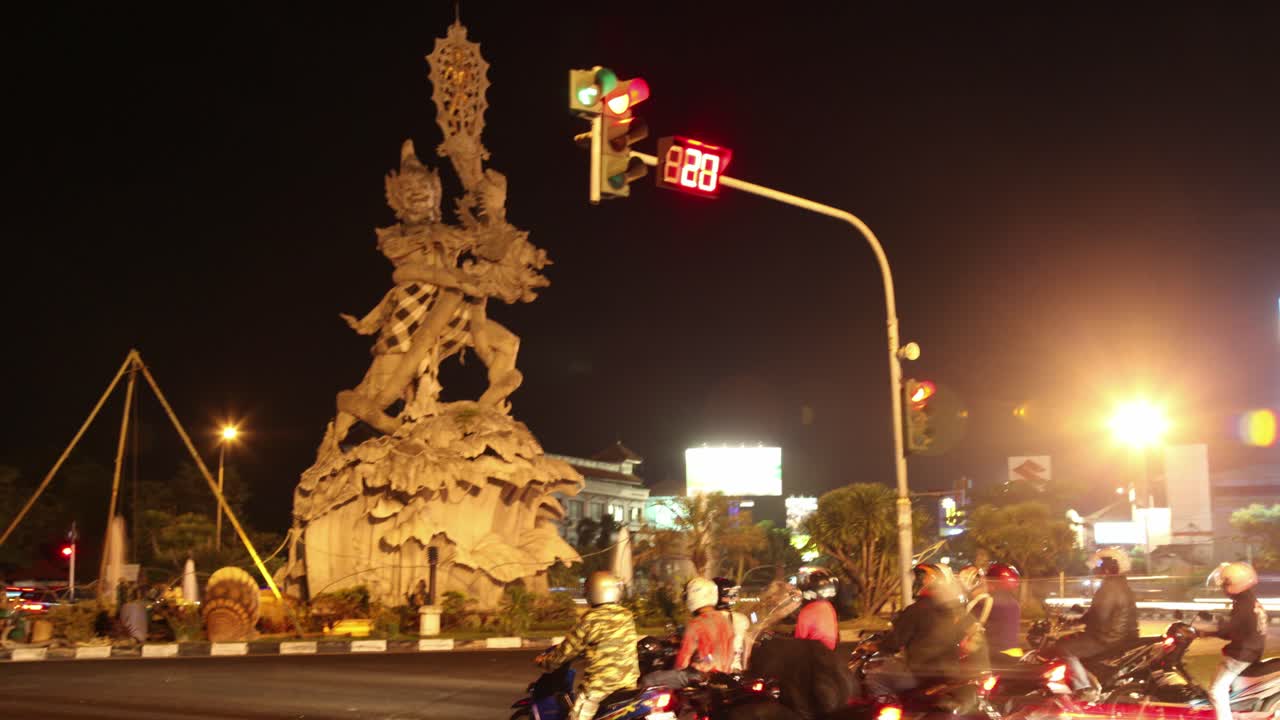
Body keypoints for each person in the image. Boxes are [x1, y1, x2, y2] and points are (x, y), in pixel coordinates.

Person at [865, 563, 980, 699]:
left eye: (921, 578)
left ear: (931, 581)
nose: (918, 582)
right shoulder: (957, 611)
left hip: (920, 674)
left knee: (874, 677)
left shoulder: (916, 610)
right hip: (950, 674)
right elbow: (975, 632)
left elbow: (893, 644)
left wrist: (872, 646)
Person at [536, 571, 639, 720]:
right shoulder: (626, 615)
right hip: (627, 685)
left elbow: (566, 651)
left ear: (593, 592)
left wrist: (545, 661)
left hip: (600, 689)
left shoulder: (590, 619)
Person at [1052, 548, 1138, 702]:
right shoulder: (1121, 584)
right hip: (1122, 635)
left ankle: (1084, 688)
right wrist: (1077, 621)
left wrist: (1074, 623)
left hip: (1108, 637)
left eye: (1099, 566)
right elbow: (1099, 613)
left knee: (1064, 647)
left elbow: (1099, 616)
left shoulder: (1109, 587)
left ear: (1106, 568)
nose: (1095, 569)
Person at [1205, 562, 1267, 720]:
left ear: (1236, 583)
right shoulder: (1250, 599)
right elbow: (1237, 629)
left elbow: (1228, 630)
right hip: (1252, 650)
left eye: (1226, 583)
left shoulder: (1243, 604)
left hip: (1242, 654)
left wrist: (1204, 633)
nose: (1223, 588)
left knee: (1216, 690)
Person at [675, 576, 737, 673]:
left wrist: (677, 672)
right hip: (724, 676)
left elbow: (684, 658)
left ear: (693, 596)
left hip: (702, 678)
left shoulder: (696, 624)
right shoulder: (725, 621)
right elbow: (730, 653)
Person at [713, 576, 752, 672]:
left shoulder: (703, 620)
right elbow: (747, 648)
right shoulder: (742, 619)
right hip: (735, 671)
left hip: (710, 672)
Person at [795, 568, 839, 651]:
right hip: (830, 650)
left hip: (815, 654)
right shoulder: (828, 606)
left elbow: (800, 638)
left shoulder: (807, 611)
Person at [984, 562, 1022, 655]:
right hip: (1013, 652)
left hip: (994, 654)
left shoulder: (989, 600)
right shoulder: (1014, 603)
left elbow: (966, 624)